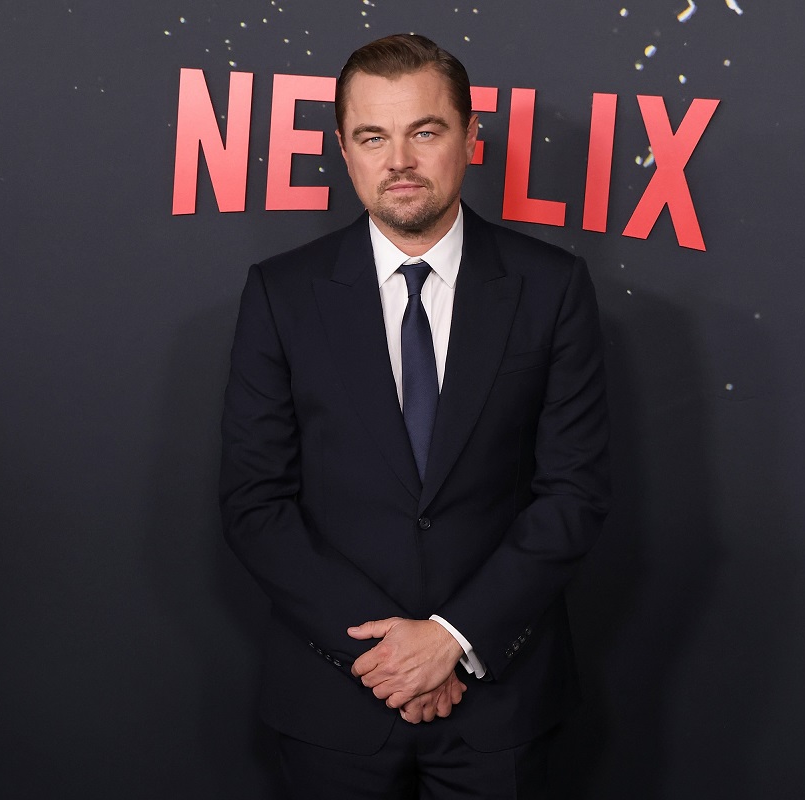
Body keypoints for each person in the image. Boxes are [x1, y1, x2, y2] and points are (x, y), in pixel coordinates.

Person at [219, 33, 611, 799]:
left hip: (500, 703)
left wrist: (453, 640)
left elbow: (574, 494)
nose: (398, 160)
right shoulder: (281, 294)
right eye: (373, 137)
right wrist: (392, 656)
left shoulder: (552, 288)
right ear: (343, 149)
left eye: (424, 131)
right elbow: (255, 502)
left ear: (471, 136)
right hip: (332, 701)